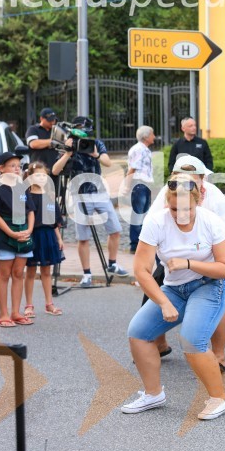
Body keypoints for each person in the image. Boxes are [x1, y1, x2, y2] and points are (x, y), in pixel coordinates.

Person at [124, 173, 225, 420]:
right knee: (138, 333)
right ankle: (153, 394)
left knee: (192, 339)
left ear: (198, 201)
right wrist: (163, 302)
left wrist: (188, 263)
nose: (180, 215)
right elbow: (141, 270)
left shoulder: (211, 222)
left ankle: (219, 399)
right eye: (174, 209)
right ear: (167, 203)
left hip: (209, 285)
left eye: (187, 209)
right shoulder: (156, 222)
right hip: (174, 289)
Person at [147, 156, 225, 373]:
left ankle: (219, 355)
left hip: (214, 254)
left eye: (193, 180)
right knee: (154, 288)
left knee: (216, 300)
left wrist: (199, 250)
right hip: (177, 256)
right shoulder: (168, 192)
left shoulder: (213, 194)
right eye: (180, 178)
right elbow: (150, 227)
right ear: (173, 178)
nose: (186, 183)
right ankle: (158, 344)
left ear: (202, 179)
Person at [52, 116, 128, 287]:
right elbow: (55, 171)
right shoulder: (68, 145)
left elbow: (108, 162)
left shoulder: (96, 144)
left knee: (115, 229)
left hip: (99, 193)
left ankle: (112, 263)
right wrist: (68, 153)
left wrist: (96, 154)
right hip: (79, 195)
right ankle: (87, 274)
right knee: (83, 237)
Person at [0, 151, 36, 328]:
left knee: (18, 273)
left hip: (23, 232)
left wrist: (29, 230)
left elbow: (30, 211)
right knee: (4, 274)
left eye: (19, 166)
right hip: (4, 233)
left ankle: (16, 313)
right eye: (12, 166)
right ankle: (3, 314)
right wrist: (11, 233)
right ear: (1, 168)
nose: (17, 169)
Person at [23, 162, 64, 319]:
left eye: (44, 175)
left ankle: (49, 304)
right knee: (31, 271)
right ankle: (29, 305)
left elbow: (54, 221)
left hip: (48, 236)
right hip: (33, 235)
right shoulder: (26, 195)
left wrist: (59, 238)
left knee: (46, 271)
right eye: (37, 175)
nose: (41, 178)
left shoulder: (49, 196)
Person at [126, 126, 155, 253]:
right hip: (139, 184)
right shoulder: (139, 149)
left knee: (143, 215)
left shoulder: (145, 149)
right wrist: (127, 185)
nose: (154, 136)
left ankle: (141, 243)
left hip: (144, 184)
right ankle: (135, 245)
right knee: (138, 214)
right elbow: (132, 168)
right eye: (152, 134)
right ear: (146, 136)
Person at [25, 108, 62, 188]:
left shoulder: (56, 131)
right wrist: (53, 141)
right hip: (37, 171)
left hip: (54, 171)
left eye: (54, 120)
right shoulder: (33, 129)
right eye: (49, 120)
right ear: (41, 119)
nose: (52, 122)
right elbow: (34, 144)